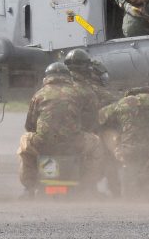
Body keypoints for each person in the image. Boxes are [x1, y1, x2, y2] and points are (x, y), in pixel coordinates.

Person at [17, 62, 103, 198]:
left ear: (47, 77)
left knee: (25, 143)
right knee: (96, 143)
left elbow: (30, 125)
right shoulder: (77, 93)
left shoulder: (39, 95)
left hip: (44, 144)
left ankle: (29, 187)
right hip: (73, 143)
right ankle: (89, 186)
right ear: (67, 77)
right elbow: (90, 121)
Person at [64, 49, 120, 195]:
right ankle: (111, 190)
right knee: (110, 151)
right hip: (84, 135)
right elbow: (118, 105)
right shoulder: (91, 89)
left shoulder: (57, 86)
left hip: (60, 135)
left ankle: (31, 188)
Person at [98, 86, 149, 197]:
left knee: (107, 133)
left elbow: (101, 116)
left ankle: (118, 192)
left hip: (129, 150)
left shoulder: (123, 102)